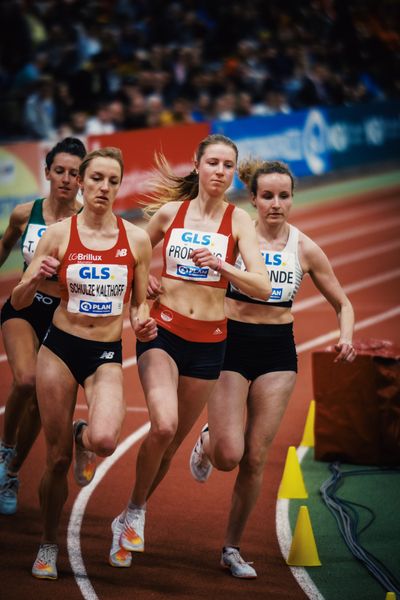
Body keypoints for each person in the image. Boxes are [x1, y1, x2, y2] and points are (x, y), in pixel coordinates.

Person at [109, 134, 271, 568]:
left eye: (228, 166)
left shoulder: (239, 222)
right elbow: (127, 259)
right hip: (164, 333)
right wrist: (144, 290)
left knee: (173, 440)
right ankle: (136, 515)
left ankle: (129, 512)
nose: (221, 172)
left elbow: (263, 284)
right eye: (213, 163)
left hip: (210, 342)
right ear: (197, 165)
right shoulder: (170, 213)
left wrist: (224, 266)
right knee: (163, 426)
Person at [189, 159, 356, 578]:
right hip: (231, 344)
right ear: (254, 199)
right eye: (268, 196)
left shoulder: (304, 247)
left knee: (256, 458)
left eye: (284, 196)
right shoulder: (233, 236)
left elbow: (343, 303)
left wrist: (346, 336)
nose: (276, 204)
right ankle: (209, 441)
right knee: (230, 454)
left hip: (278, 352)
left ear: (293, 198)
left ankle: (231, 548)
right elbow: (191, 276)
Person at [11, 147, 157, 580]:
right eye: (96, 179)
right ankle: (48, 543)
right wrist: (36, 277)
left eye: (113, 181)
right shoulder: (57, 234)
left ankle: (83, 436)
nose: (104, 188)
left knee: (107, 439)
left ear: (119, 185)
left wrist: (143, 324)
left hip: (106, 354)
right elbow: (18, 300)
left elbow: (140, 305)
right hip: (59, 350)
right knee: (55, 461)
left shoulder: (137, 240)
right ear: (81, 182)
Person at [0, 137, 86, 515]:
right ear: (47, 172)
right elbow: (4, 248)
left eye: (74, 173)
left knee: (40, 402)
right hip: (24, 305)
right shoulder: (24, 213)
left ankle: (12, 472)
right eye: (60, 171)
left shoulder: (87, 222)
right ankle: (5, 450)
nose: (66, 179)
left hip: (62, 316)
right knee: (26, 380)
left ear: (82, 179)